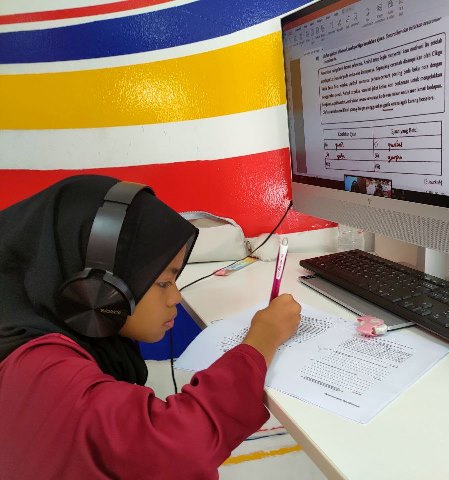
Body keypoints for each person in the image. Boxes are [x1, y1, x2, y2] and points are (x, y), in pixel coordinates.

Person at [0, 175, 302, 479]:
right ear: (97, 288)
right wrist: (262, 340)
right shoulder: (36, 369)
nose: (175, 298)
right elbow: (178, 450)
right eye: (163, 283)